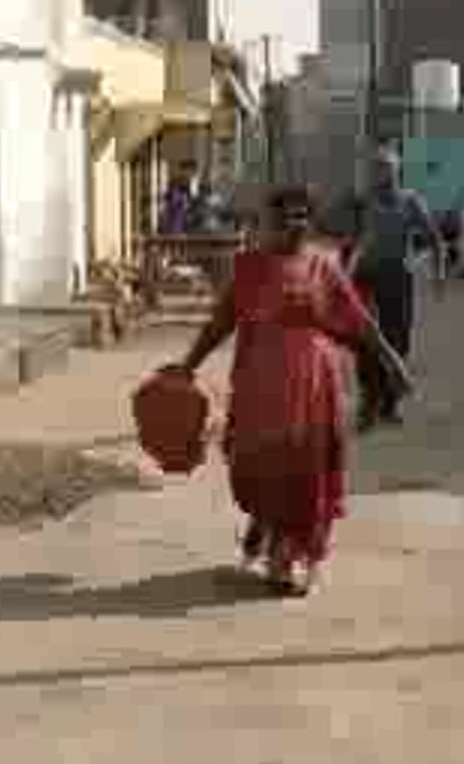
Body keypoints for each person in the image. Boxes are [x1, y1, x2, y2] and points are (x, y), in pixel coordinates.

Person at [164, 186, 383, 596]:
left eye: (302, 215)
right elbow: (222, 321)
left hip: (313, 388)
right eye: (284, 216)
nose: (294, 222)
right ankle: (264, 523)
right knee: (258, 463)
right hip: (259, 389)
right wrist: (188, 366)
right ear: (268, 222)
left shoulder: (324, 266)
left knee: (304, 469)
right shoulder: (249, 266)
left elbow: (360, 324)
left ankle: (288, 556)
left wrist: (390, 372)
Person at [328, 145, 446, 428]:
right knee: (366, 341)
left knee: (398, 340)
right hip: (366, 280)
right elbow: (330, 225)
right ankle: (369, 402)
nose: (381, 175)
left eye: (387, 169)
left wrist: (439, 273)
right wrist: (345, 202)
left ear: (397, 172)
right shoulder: (362, 201)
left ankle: (389, 404)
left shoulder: (411, 201)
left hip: (398, 279)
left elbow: (435, 238)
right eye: (377, 169)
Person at [159, 160, 205, 236]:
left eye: (189, 171)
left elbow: (198, 203)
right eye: (184, 171)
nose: (186, 174)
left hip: (194, 228)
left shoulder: (199, 187)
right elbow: (168, 207)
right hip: (177, 228)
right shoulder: (174, 188)